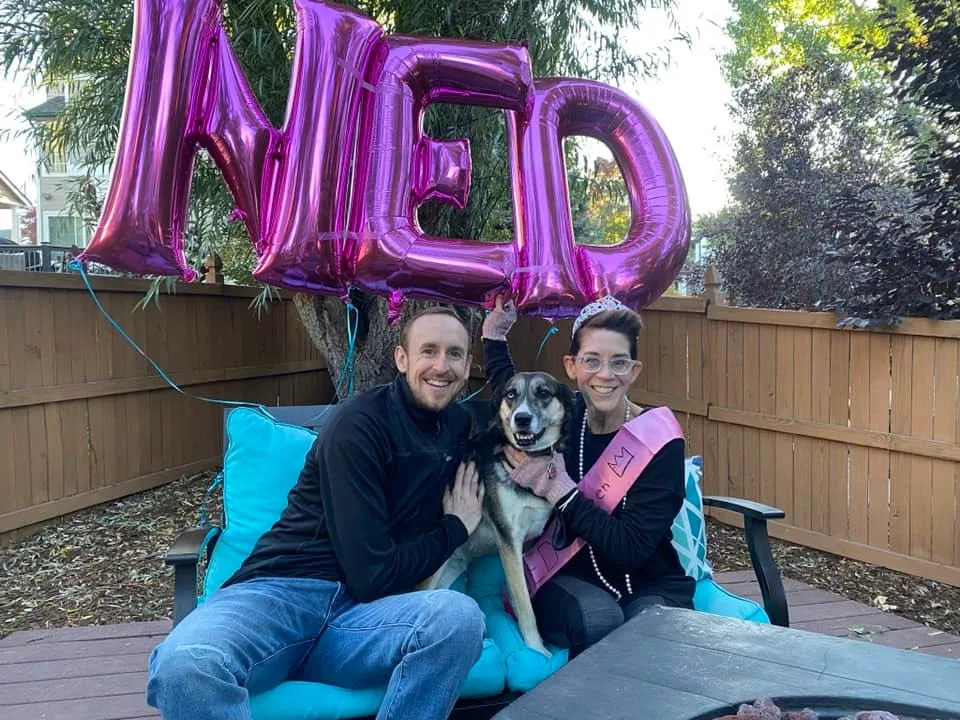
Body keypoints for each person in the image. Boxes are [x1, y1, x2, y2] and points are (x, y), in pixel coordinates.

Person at [147, 306, 487, 720]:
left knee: (458, 618)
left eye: (454, 354)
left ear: (469, 365)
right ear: (402, 359)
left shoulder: (459, 427)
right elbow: (373, 573)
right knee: (185, 664)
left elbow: (516, 434)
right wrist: (453, 529)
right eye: (428, 351)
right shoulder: (359, 426)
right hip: (281, 596)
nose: (441, 365)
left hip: (361, 623)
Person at [482, 295, 694, 657]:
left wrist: (562, 492)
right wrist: (493, 338)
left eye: (619, 362)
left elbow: (631, 549)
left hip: (649, 581)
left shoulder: (658, 441)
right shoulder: (563, 415)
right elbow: (514, 395)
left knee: (656, 635)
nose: (605, 375)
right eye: (591, 361)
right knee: (599, 621)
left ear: (634, 370)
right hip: (570, 579)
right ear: (572, 366)